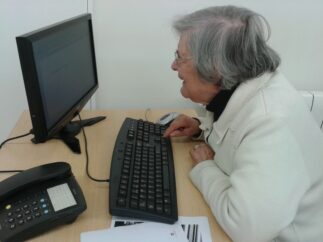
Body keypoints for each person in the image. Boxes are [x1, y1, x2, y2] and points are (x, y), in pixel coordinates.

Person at [163, 5, 323, 242]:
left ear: (214, 68)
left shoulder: (271, 122)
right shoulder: (243, 86)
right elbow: (236, 135)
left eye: (180, 57)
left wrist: (205, 167)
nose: (173, 66)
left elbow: (247, 229)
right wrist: (200, 128)